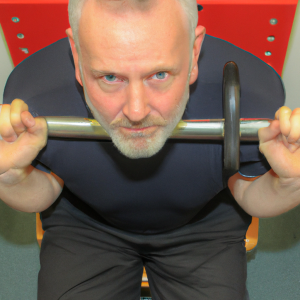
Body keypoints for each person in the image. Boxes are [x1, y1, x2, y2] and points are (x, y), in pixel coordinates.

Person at [1, 0, 300, 299]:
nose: (136, 110)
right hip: (86, 221)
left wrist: (289, 183)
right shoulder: (34, 97)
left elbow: (250, 195)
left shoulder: (253, 95)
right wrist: (10, 177)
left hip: (203, 224)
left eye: (159, 75)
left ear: (194, 52)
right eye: (110, 77)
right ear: (77, 56)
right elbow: (45, 192)